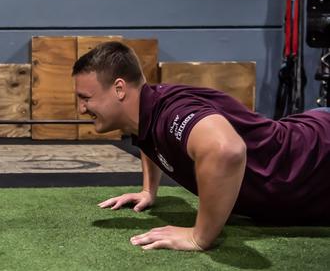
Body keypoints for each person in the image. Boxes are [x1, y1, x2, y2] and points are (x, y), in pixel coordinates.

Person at [72, 41, 330, 251]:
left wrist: (199, 236)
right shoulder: (146, 116)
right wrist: (148, 190)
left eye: (86, 98)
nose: (81, 108)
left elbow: (226, 150)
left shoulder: (173, 113)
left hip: (320, 153)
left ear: (119, 89)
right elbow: (145, 136)